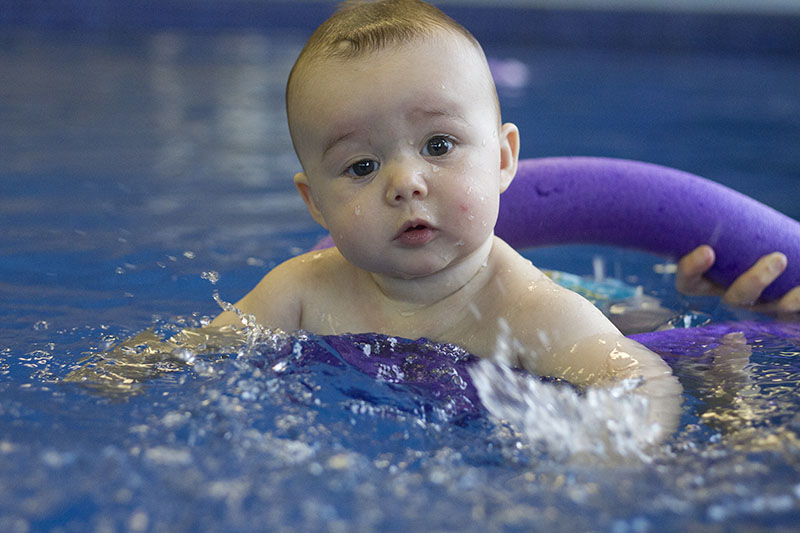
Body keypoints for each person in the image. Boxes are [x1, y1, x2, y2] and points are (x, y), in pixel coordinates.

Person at [211, 0, 796, 439]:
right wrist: (126, 372)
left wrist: (596, 459)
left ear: (503, 158)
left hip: (601, 314)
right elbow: (192, 353)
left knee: (680, 350)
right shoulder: (300, 290)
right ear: (315, 203)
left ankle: (731, 378)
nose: (405, 182)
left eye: (439, 146)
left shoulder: (532, 309)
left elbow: (642, 384)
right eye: (361, 165)